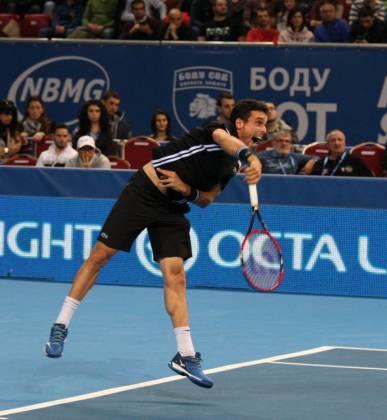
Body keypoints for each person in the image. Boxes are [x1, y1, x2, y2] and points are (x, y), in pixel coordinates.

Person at [45, 99, 267, 389]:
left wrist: (185, 188)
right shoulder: (218, 132)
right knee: (101, 255)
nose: (264, 129)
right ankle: (60, 326)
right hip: (144, 192)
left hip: (173, 206)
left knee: (176, 276)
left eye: (265, 124)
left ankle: (186, 355)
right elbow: (226, 141)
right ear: (240, 123)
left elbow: (206, 199)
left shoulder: (234, 163)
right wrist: (253, 157)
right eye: (258, 122)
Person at [306, 129, 373, 176]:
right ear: (327, 145)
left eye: (340, 140)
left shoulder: (355, 161)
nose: (337, 143)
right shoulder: (320, 163)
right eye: (333, 140)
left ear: (344, 143)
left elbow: (369, 180)